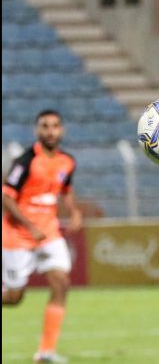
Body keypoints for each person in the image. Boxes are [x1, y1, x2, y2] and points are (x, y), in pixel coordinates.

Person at [2, 110, 83, 364]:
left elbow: (65, 190)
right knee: (14, 298)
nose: (50, 131)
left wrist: (74, 211)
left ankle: (45, 353)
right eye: (45, 126)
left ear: (62, 130)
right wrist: (29, 226)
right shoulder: (25, 161)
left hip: (49, 233)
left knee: (61, 282)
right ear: (37, 130)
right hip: (18, 236)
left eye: (55, 126)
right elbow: (6, 198)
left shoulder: (67, 161)